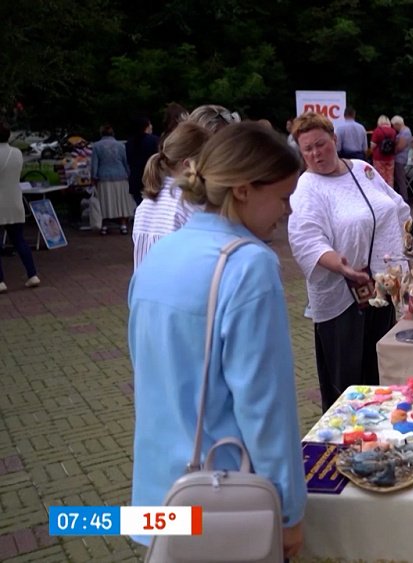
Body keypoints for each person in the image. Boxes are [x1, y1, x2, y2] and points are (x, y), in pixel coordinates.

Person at [128, 121, 307, 558]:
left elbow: (145, 368)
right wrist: (288, 513)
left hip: (159, 490)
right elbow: (265, 408)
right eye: (283, 198)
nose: (288, 212)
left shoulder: (161, 252)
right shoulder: (249, 264)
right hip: (226, 493)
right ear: (243, 189)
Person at [287, 112, 409, 411]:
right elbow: (305, 240)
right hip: (344, 299)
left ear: (335, 140)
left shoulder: (363, 169)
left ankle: (384, 434)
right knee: (350, 383)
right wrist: (340, 266)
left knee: (382, 370)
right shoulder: (308, 187)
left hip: (382, 289)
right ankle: (346, 442)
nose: (316, 154)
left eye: (321, 144)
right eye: (308, 149)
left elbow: (395, 206)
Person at [132, 121, 211, 268]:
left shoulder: (146, 204)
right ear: (188, 165)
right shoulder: (190, 205)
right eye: (209, 163)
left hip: (145, 288)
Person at [0, 120, 40, 293]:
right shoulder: (16, 153)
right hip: (15, 201)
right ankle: (32, 274)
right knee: (19, 240)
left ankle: (0, 281)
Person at [90, 123, 135, 235]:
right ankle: (123, 225)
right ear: (113, 133)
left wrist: (93, 177)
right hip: (121, 176)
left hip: (103, 177)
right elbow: (126, 162)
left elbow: (94, 164)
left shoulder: (96, 146)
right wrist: (129, 174)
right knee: (121, 202)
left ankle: (104, 225)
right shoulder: (120, 145)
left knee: (105, 202)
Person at [126, 117, 159, 205]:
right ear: (146, 126)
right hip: (151, 179)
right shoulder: (154, 140)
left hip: (135, 180)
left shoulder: (130, 142)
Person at [369, 115, 397, 185]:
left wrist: (371, 151)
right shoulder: (393, 131)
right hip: (390, 157)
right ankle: (390, 192)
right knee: (390, 177)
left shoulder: (377, 131)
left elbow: (373, 145)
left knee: (380, 177)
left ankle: (381, 193)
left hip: (379, 157)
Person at [390, 115, 413, 201]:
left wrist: (392, 151)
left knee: (400, 179)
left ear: (397, 124)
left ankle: (404, 198)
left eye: (394, 125)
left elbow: (400, 146)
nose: (394, 128)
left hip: (400, 159)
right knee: (400, 179)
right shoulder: (405, 131)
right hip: (401, 158)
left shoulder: (405, 132)